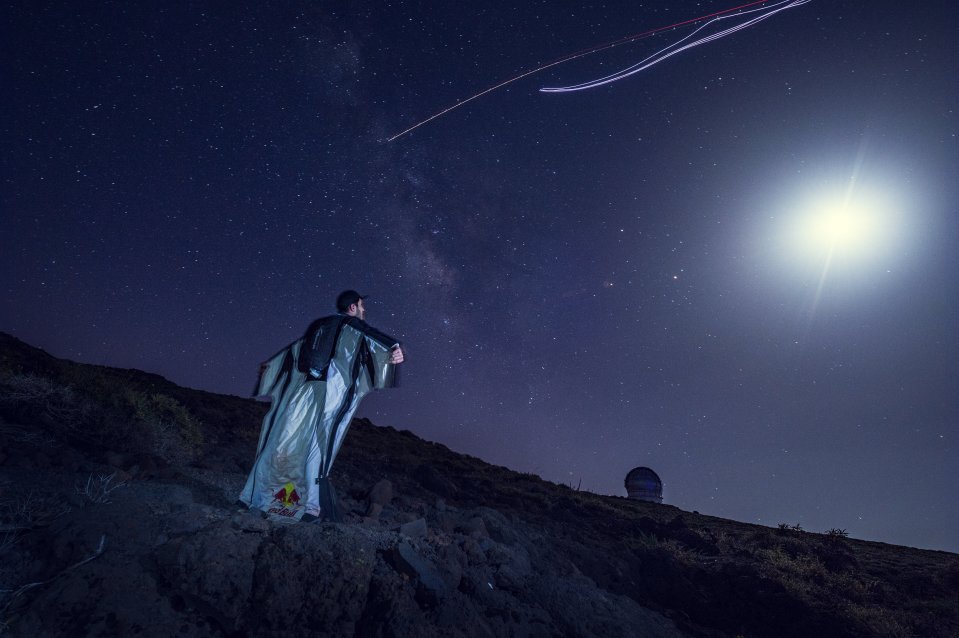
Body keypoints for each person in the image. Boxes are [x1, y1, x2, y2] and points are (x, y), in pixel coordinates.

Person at [238, 290, 404, 522]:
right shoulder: (350, 323)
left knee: (282, 440)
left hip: (303, 392)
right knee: (316, 448)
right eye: (362, 306)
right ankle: (309, 508)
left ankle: (254, 498)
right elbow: (371, 335)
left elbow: (295, 351)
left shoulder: (319, 324)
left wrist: (270, 369)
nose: (364, 310)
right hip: (326, 394)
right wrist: (394, 347)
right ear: (353, 307)